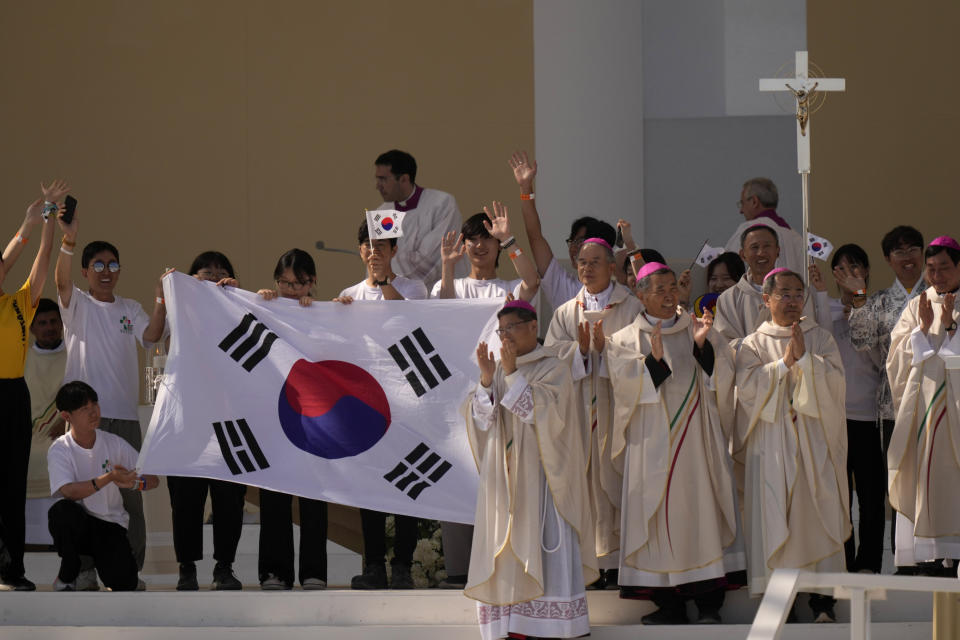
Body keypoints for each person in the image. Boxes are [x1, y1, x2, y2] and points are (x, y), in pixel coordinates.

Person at [605, 263, 740, 625]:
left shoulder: (702, 329)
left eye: (672, 287)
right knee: (656, 522)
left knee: (700, 515)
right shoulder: (623, 340)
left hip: (697, 445)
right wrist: (655, 360)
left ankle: (709, 604)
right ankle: (669, 606)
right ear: (640, 294)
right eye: (659, 288)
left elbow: (724, 377)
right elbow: (624, 391)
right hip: (651, 447)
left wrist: (700, 346)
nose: (668, 294)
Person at [464, 300, 597, 639]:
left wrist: (509, 374)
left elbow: (544, 416)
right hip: (504, 483)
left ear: (533, 327)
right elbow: (481, 420)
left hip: (543, 481)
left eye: (511, 328)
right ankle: (511, 624)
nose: (505, 336)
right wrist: (484, 380)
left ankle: (550, 626)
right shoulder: (498, 369)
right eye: (501, 330)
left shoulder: (554, 366)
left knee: (544, 548)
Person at [54, 205, 168, 574]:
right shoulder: (78, 305)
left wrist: (160, 300)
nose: (106, 272)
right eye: (99, 266)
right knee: (86, 497)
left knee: (131, 499)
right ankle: (84, 572)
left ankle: (129, 572)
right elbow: (59, 282)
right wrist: (68, 240)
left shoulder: (130, 308)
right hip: (87, 424)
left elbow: (151, 336)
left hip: (122, 417)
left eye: (113, 265)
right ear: (86, 272)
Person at [432, 203, 540, 589]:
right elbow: (441, 316)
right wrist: (447, 266)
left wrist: (510, 239)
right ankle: (459, 570)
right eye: (472, 240)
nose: (479, 246)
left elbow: (533, 281)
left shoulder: (509, 289)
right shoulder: (454, 286)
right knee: (462, 477)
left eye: (487, 239)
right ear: (463, 245)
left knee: (505, 480)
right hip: (462, 396)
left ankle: (504, 566)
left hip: (506, 391)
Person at [735, 268, 850, 622]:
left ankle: (822, 602)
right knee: (775, 516)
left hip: (814, 442)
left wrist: (807, 362)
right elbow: (747, 391)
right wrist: (785, 363)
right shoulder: (752, 343)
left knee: (817, 513)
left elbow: (835, 386)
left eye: (798, 293)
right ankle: (780, 603)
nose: (792, 300)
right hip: (771, 446)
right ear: (765, 299)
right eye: (783, 293)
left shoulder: (819, 339)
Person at [544, 237, 644, 588]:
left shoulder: (630, 307)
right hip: (578, 412)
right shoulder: (565, 312)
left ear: (612, 266)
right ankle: (587, 564)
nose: (586, 268)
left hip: (618, 410)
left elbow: (642, 353)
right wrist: (580, 353)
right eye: (582, 262)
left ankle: (617, 564)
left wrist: (608, 349)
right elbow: (550, 361)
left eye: (595, 262)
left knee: (614, 480)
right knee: (584, 483)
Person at [336, 225, 427, 589]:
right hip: (365, 401)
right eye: (368, 247)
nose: (374, 252)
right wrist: (337, 312)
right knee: (370, 486)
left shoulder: (412, 287)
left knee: (407, 482)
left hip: (408, 399)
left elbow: (409, 320)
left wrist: (383, 280)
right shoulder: (348, 294)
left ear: (393, 250)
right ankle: (374, 564)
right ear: (359, 251)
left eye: (381, 247)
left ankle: (402, 563)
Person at [843, 225, 925, 562]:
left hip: (939, 401)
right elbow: (861, 340)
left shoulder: (941, 293)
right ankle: (904, 558)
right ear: (888, 260)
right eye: (898, 251)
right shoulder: (878, 300)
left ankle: (941, 557)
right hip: (893, 405)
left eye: (912, 249)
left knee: (935, 478)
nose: (907, 257)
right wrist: (859, 295)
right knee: (900, 482)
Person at [168, 251, 247, 591]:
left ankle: (224, 567)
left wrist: (241, 300)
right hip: (188, 421)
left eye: (221, 273)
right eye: (205, 273)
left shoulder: (242, 313)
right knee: (186, 500)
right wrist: (178, 290)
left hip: (231, 422)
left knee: (230, 500)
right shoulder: (181, 312)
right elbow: (162, 333)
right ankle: (187, 568)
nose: (215, 278)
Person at [0, 181, 64, 591]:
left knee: (10, 486)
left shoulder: (20, 304)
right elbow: (11, 255)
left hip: (11, 396)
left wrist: (44, 221)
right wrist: (23, 228)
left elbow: (41, 258)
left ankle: (11, 570)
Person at [255, 248, 328, 590]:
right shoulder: (265, 307)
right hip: (275, 413)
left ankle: (314, 571)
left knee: (314, 495)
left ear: (312, 282)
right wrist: (259, 302)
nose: (290, 290)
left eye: (298, 283)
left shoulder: (325, 314)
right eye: (283, 283)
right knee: (275, 494)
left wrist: (342, 313)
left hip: (316, 417)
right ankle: (274, 571)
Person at [887, 236, 960, 574]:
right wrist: (920, 329)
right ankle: (930, 556)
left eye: (944, 267)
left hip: (956, 410)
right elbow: (895, 356)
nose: (937, 276)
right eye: (931, 269)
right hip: (925, 412)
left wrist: (949, 326)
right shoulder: (918, 304)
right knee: (926, 480)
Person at [810, 246, 885, 573]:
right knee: (839, 496)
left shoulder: (877, 308)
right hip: (833, 417)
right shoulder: (823, 306)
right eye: (839, 267)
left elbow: (877, 359)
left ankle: (869, 562)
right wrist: (823, 295)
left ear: (866, 270)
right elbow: (823, 349)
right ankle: (841, 560)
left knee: (870, 496)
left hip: (868, 416)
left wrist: (859, 305)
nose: (847, 273)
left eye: (854, 266)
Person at [47, 381, 159, 591]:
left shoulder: (114, 442)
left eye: (95, 406)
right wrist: (108, 478)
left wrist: (133, 483)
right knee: (61, 512)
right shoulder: (60, 449)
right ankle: (70, 572)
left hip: (110, 527)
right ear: (67, 416)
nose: (93, 413)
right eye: (84, 409)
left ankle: (121, 571)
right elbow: (68, 491)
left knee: (125, 584)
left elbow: (153, 479)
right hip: (80, 524)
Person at [510, 150, 618, 307]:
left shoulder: (622, 295)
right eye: (572, 242)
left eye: (580, 242)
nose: (574, 248)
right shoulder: (562, 286)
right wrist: (526, 189)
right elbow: (535, 236)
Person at [714, 225, 824, 348]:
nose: (761, 253)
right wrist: (759, 349)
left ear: (778, 251)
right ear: (743, 255)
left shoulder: (799, 294)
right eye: (754, 247)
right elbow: (723, 345)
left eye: (767, 246)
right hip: (745, 366)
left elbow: (809, 335)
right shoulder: (727, 299)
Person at [373, 149, 462, 289]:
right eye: (377, 179)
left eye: (383, 179)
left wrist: (389, 266)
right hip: (395, 298)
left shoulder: (441, 203)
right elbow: (376, 264)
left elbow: (430, 262)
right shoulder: (382, 213)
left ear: (404, 179)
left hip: (440, 296)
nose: (377, 186)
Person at [23, 299, 67, 551]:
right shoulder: (21, 358)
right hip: (27, 434)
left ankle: (61, 545)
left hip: (63, 431)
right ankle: (25, 547)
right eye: (42, 323)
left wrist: (67, 422)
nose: (49, 327)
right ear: (31, 328)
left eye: (54, 321)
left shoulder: (75, 354)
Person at [723, 178, 805, 275]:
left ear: (754, 201)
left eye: (742, 203)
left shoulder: (749, 231)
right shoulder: (796, 237)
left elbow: (728, 271)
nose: (741, 211)